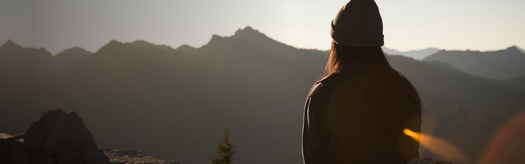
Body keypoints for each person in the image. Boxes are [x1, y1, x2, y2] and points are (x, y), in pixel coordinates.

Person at [301, 0, 422, 164]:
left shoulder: (322, 93)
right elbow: (412, 155)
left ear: (337, 44)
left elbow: (313, 158)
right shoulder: (404, 90)